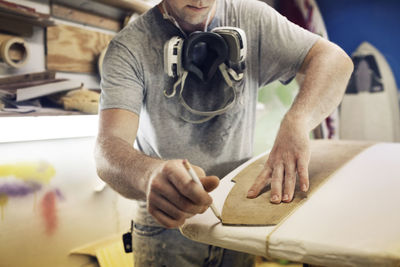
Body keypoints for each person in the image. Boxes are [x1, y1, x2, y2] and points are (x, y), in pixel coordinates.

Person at [94, 0, 353, 266]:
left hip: (237, 215)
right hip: (168, 227)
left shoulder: (253, 19)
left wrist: (297, 121)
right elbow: (108, 148)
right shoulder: (129, 47)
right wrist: (149, 175)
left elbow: (335, 60)